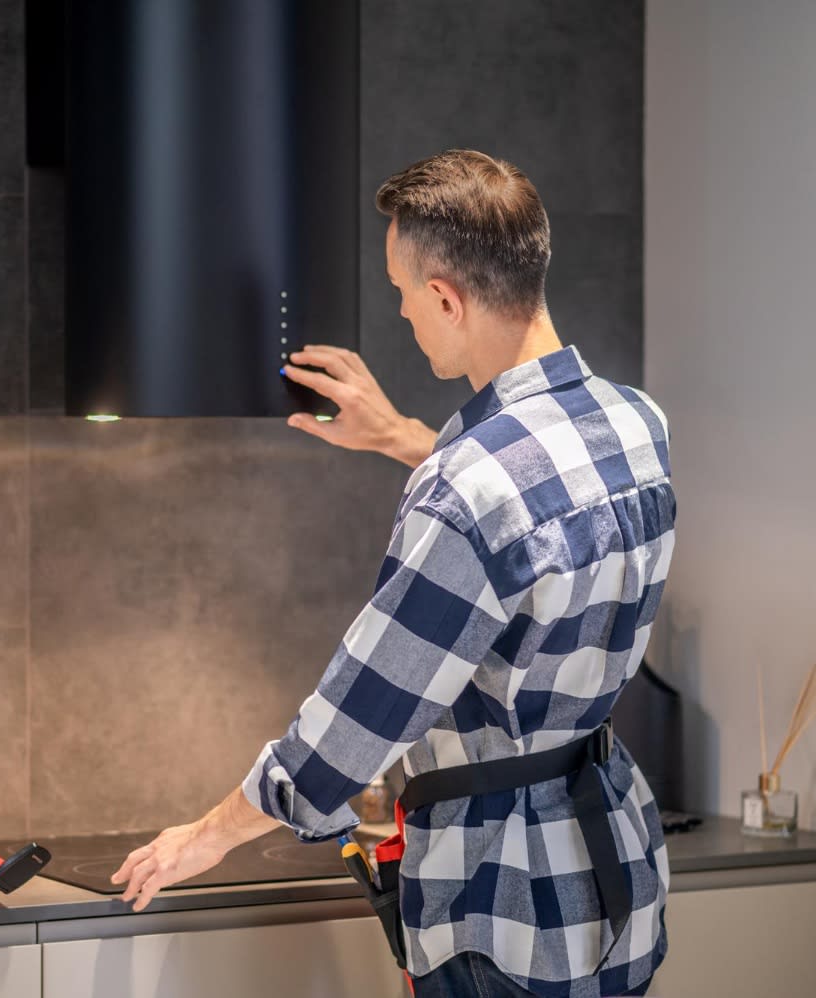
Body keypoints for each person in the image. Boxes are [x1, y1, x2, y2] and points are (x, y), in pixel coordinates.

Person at [110, 149, 672, 998]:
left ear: (448, 297)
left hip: (502, 908)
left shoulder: (467, 489)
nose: (403, 313)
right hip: (612, 881)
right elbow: (536, 520)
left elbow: (355, 726)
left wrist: (209, 834)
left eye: (404, 293)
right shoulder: (634, 423)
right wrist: (404, 437)